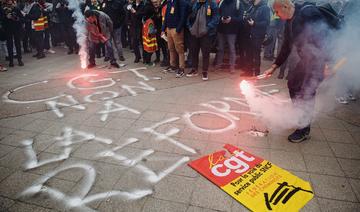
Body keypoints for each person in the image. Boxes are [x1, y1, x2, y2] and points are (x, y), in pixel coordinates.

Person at [264, 0, 333, 143]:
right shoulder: (289, 21)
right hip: (306, 59)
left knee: (306, 92)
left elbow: (325, 35)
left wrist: (328, 63)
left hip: (319, 59)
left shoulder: (308, 12)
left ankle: (304, 129)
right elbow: (286, 46)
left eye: (277, 12)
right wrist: (275, 65)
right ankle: (299, 116)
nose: (276, 15)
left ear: (285, 6)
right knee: (293, 84)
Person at [187, 0, 219, 80]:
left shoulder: (212, 4)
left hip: (206, 34)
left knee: (205, 53)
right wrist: (190, 27)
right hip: (194, 32)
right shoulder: (194, 3)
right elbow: (188, 16)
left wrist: (207, 28)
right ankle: (194, 69)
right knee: (194, 51)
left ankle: (205, 71)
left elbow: (216, 18)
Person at [216, 0, 242, 74]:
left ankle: (232, 67)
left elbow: (240, 17)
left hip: (232, 31)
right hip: (221, 29)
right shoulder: (221, 2)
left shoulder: (238, 3)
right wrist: (221, 18)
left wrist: (231, 19)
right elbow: (217, 14)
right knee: (220, 48)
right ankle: (218, 65)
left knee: (231, 48)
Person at [162, 0, 187, 77]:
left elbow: (183, 16)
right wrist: (163, 29)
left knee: (179, 49)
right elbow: (166, 16)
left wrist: (178, 29)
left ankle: (181, 68)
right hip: (169, 28)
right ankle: (173, 65)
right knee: (171, 48)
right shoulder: (169, 2)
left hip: (176, 29)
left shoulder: (181, 2)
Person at [244, 0, 270, 76]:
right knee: (249, 53)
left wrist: (254, 24)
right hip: (249, 33)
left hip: (258, 35)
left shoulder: (265, 8)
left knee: (256, 54)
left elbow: (266, 22)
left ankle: (256, 73)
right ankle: (248, 71)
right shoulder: (252, 6)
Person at [2, 0, 24, 67]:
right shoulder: (4, 10)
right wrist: (6, 17)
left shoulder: (16, 9)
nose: (9, 5)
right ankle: (11, 61)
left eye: (10, 4)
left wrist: (16, 18)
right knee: (9, 45)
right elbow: (2, 21)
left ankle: (19, 60)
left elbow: (22, 19)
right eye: (8, 4)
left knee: (18, 44)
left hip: (16, 29)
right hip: (8, 30)